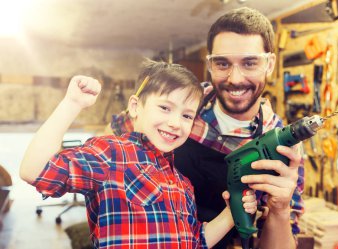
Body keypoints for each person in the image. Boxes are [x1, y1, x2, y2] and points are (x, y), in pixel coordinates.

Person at [110, 7, 303, 249]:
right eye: (223, 63)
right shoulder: (178, 104)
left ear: (270, 63)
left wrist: (280, 209)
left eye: (250, 63)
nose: (235, 78)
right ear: (210, 64)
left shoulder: (282, 147)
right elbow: (115, 136)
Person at [19, 60, 256, 249]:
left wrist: (230, 214)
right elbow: (35, 171)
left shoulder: (183, 184)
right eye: (165, 107)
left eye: (186, 116)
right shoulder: (111, 153)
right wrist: (72, 103)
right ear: (134, 107)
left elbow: (195, 242)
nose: (175, 123)